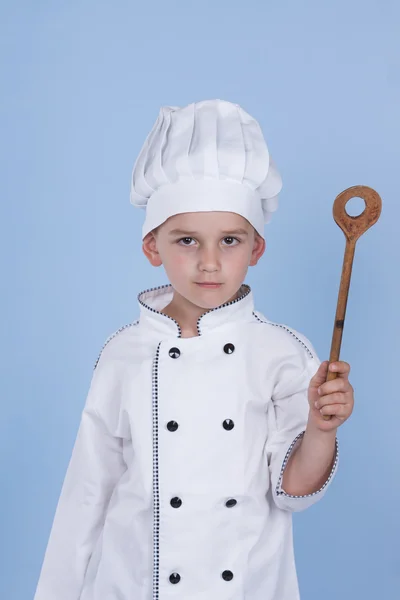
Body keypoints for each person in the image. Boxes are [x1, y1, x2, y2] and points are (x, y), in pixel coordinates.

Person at [34, 99, 354, 600]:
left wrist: (321, 428)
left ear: (256, 249)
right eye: (187, 240)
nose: (209, 263)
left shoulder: (282, 353)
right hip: (129, 584)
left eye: (229, 240)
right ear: (152, 247)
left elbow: (292, 490)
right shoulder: (123, 352)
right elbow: (87, 494)